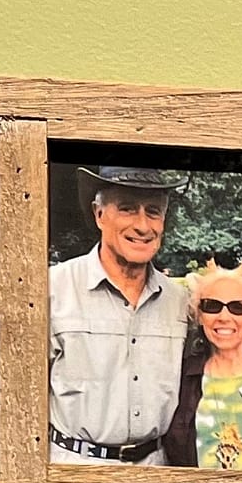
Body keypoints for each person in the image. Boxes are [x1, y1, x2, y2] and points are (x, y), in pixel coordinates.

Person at [48, 166, 189, 465]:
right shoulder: (52, 288)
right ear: (99, 215)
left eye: (153, 212)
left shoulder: (179, 300)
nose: (142, 225)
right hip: (73, 472)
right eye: (127, 209)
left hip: (156, 473)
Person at [164, 267, 242, 469]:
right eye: (212, 306)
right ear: (199, 315)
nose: (224, 317)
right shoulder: (178, 378)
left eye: (238, 307)